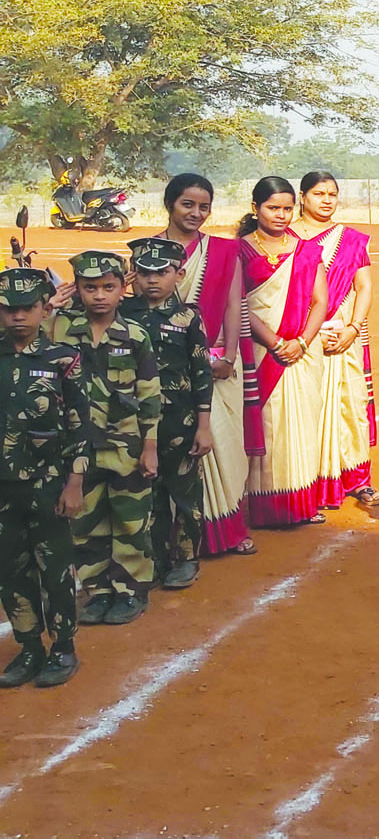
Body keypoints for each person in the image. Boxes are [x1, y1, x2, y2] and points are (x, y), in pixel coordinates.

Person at [53, 251, 161, 626]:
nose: (99, 295)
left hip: (126, 446)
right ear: (77, 289)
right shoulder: (60, 329)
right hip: (80, 448)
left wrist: (150, 447)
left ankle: (130, 591)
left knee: (131, 520)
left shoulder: (134, 335)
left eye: (108, 287)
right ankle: (98, 591)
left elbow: (149, 394)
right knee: (86, 522)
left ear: (122, 288)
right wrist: (51, 305)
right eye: (90, 288)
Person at [154, 174, 254, 557]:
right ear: (170, 204)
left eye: (204, 206)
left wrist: (228, 356)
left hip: (218, 363)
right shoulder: (150, 251)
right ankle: (180, 540)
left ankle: (227, 531)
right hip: (167, 369)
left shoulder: (225, 251)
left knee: (225, 450)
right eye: (188, 205)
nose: (196, 213)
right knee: (177, 453)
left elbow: (233, 304)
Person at [0, 268, 90, 689]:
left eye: (27, 308)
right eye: (9, 309)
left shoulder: (62, 359)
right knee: (10, 571)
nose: (18, 317)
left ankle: (63, 648)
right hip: (3, 488)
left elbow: (80, 426)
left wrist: (74, 483)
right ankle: (30, 646)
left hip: (49, 484)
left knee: (55, 569)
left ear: (43, 308)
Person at [237, 176, 333, 528]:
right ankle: (264, 509)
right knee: (267, 426)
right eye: (272, 208)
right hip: (261, 352)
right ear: (255, 208)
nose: (280, 215)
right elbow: (240, 304)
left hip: (302, 354)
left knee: (302, 426)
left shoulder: (306, 249)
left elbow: (320, 301)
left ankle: (300, 504)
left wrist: (303, 342)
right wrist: (275, 343)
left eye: (287, 209)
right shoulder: (240, 250)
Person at [121, 237, 214, 590]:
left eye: (163, 271)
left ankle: (188, 558)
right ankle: (157, 558)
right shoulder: (121, 313)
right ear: (133, 275)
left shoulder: (189, 317)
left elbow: (201, 372)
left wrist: (204, 426)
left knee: (185, 493)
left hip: (180, 421)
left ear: (179, 273)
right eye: (144, 272)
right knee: (149, 493)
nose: (153, 280)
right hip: (133, 421)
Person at [289, 171, 379, 512]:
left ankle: (356, 479)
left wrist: (353, 328)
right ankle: (305, 480)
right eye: (318, 193)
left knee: (348, 404)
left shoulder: (352, 240)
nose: (326, 200)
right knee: (304, 407)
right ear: (302, 196)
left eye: (332, 194)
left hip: (343, 333)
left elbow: (364, 287)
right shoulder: (285, 237)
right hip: (300, 335)